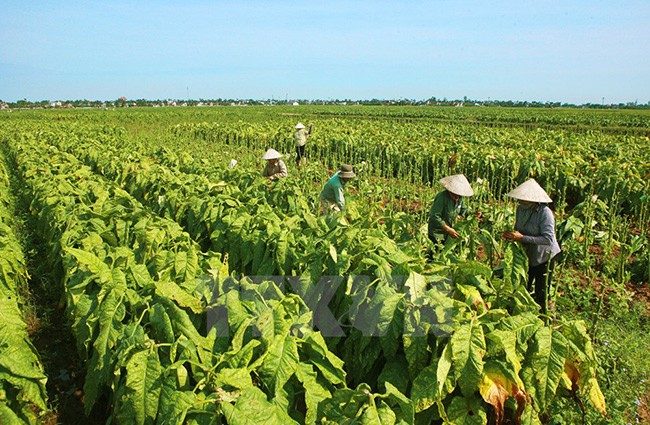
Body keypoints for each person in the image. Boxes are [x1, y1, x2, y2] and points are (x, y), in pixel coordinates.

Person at [501, 178, 561, 313]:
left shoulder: (545, 213)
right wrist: (511, 236)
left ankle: (548, 316)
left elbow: (548, 239)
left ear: (533, 200)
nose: (520, 201)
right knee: (523, 285)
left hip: (545, 256)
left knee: (542, 290)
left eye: (523, 198)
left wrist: (522, 238)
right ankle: (522, 313)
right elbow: (519, 229)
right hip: (529, 253)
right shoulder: (520, 209)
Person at [427, 174, 474, 243]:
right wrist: (448, 229)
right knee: (437, 251)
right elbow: (434, 216)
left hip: (448, 233)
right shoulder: (442, 197)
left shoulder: (460, 198)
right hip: (437, 233)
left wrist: (474, 213)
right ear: (450, 191)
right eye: (455, 194)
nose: (457, 197)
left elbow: (463, 210)